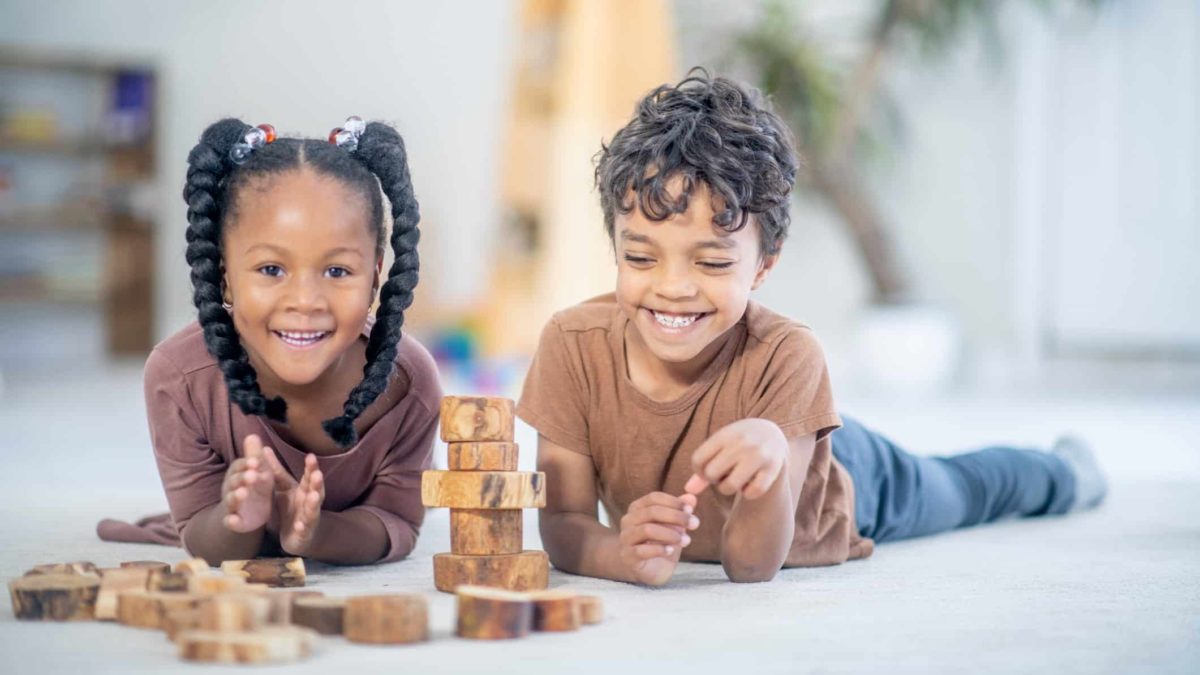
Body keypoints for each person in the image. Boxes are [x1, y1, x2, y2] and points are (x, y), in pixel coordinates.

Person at [517, 71, 1107, 586]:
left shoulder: (789, 354)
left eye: (714, 262)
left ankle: (1064, 474)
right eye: (641, 258)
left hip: (844, 481)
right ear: (614, 246)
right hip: (795, 426)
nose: (672, 286)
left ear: (764, 264)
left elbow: (753, 567)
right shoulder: (572, 346)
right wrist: (617, 554)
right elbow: (565, 524)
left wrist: (773, 467)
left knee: (963, 488)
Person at [97, 117, 440, 565]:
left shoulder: (408, 384)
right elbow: (201, 533)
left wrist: (315, 533)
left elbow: (396, 524)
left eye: (337, 271)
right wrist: (238, 519)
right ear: (224, 277)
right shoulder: (180, 378)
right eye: (271, 270)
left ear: (375, 277)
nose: (304, 301)